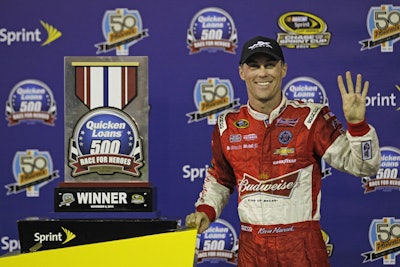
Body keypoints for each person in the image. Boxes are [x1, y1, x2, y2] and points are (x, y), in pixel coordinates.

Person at [185, 36, 381, 266]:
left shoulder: (310, 118)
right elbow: (221, 178)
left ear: (283, 69)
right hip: (251, 250)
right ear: (242, 72)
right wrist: (206, 211)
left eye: (270, 65)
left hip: (301, 248)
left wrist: (357, 126)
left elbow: (364, 166)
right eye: (254, 66)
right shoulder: (226, 125)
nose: (262, 73)